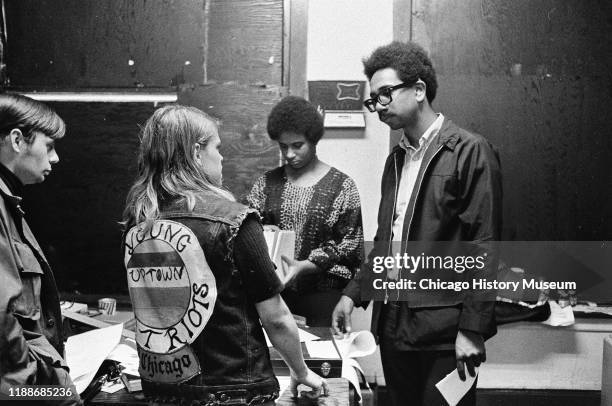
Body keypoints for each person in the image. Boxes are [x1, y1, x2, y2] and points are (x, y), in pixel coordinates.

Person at [332, 41, 502, 406]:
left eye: (386, 94)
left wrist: (472, 330)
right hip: (394, 325)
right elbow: (386, 241)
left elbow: (484, 246)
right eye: (373, 99)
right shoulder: (396, 159)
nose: (378, 106)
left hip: (445, 332)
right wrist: (352, 293)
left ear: (419, 89)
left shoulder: (469, 151)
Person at [122, 105, 328, 405]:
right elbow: (277, 318)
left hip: (162, 386)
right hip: (232, 391)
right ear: (196, 153)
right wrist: (300, 371)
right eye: (217, 147)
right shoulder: (235, 220)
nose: (222, 157)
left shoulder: (137, 221)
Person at [245, 96, 363, 327]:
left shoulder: (342, 186)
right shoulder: (266, 183)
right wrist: (260, 229)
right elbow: (245, 225)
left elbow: (350, 245)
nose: (289, 154)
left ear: (314, 140)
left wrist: (305, 266)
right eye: (283, 146)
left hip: (323, 298)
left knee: (320, 361)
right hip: (275, 296)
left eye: (297, 145)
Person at [0, 94, 81, 405]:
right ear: (18, 140)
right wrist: (54, 390)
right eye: (49, 146)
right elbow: (3, 323)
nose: (56, 158)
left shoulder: (9, 204)